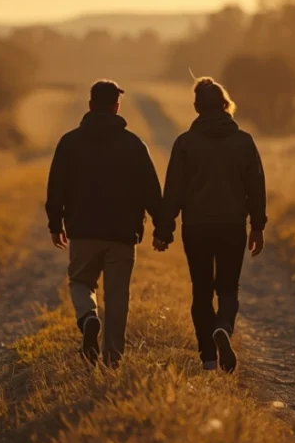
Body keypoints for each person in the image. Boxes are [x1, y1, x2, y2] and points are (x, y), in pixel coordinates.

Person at [45, 80, 164, 366]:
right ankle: (113, 359)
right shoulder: (134, 144)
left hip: (83, 231)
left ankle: (88, 316)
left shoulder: (70, 142)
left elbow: (56, 187)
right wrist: (162, 228)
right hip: (123, 234)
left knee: (81, 282)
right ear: (116, 107)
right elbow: (151, 191)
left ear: (90, 105)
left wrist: (55, 224)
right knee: (118, 296)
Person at [155, 77, 267, 373]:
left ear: (196, 107)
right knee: (228, 289)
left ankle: (208, 360)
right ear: (226, 105)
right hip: (232, 226)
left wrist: (164, 231)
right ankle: (223, 328)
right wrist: (257, 226)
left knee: (201, 291)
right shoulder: (244, 142)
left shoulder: (185, 143)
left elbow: (173, 191)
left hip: (197, 227)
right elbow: (256, 188)